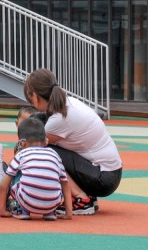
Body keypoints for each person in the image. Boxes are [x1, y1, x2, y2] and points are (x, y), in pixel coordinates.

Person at [23, 67, 122, 216]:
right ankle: (84, 196)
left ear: (35, 97)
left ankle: (82, 199)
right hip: (108, 172)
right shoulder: (69, 102)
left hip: (104, 178)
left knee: (44, 151)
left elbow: (35, 144)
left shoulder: (59, 119)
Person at [0, 117, 72, 221]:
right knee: (56, 180)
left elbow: (3, 185)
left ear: (22, 143)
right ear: (45, 141)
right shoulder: (54, 154)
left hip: (27, 202)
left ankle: (22, 211)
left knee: (15, 178)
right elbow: (65, 184)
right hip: (52, 203)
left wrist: (2, 210)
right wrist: (68, 213)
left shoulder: (21, 154)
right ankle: (50, 213)